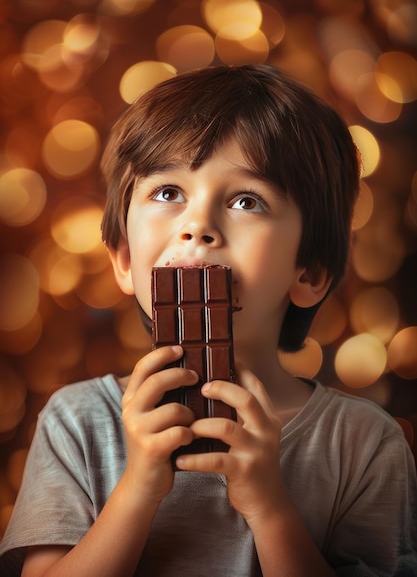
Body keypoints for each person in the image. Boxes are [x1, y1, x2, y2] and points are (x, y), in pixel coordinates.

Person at [1, 64, 416, 577]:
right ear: (125, 259)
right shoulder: (77, 421)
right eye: (168, 193)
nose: (197, 226)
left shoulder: (362, 442)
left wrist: (269, 507)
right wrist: (138, 488)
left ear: (308, 272)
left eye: (247, 201)